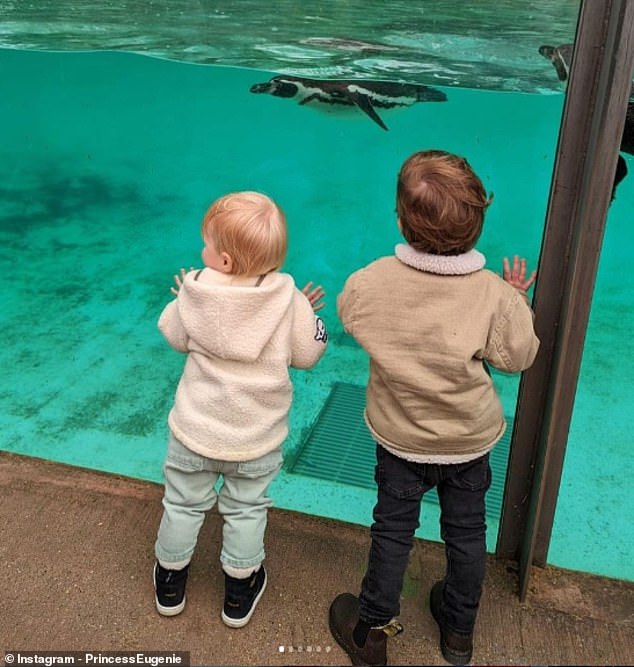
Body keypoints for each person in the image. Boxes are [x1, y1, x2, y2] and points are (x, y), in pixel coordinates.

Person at [328, 150, 540, 666]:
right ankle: (459, 631)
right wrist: (514, 301)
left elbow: (350, 313)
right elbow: (517, 357)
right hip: (468, 443)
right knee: (466, 534)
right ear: (477, 227)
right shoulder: (493, 294)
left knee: (393, 532)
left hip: (400, 441)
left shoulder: (372, 281)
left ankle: (371, 632)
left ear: (400, 220)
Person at [153, 191, 327, 628]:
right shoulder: (291, 302)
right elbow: (309, 354)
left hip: (193, 433)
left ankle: (171, 581)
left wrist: (183, 301)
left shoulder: (196, 291)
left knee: (182, 504)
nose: (201, 251)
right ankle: (237, 592)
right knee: (246, 509)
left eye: (207, 245)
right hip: (255, 441)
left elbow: (173, 335)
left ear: (225, 261)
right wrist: (310, 317)